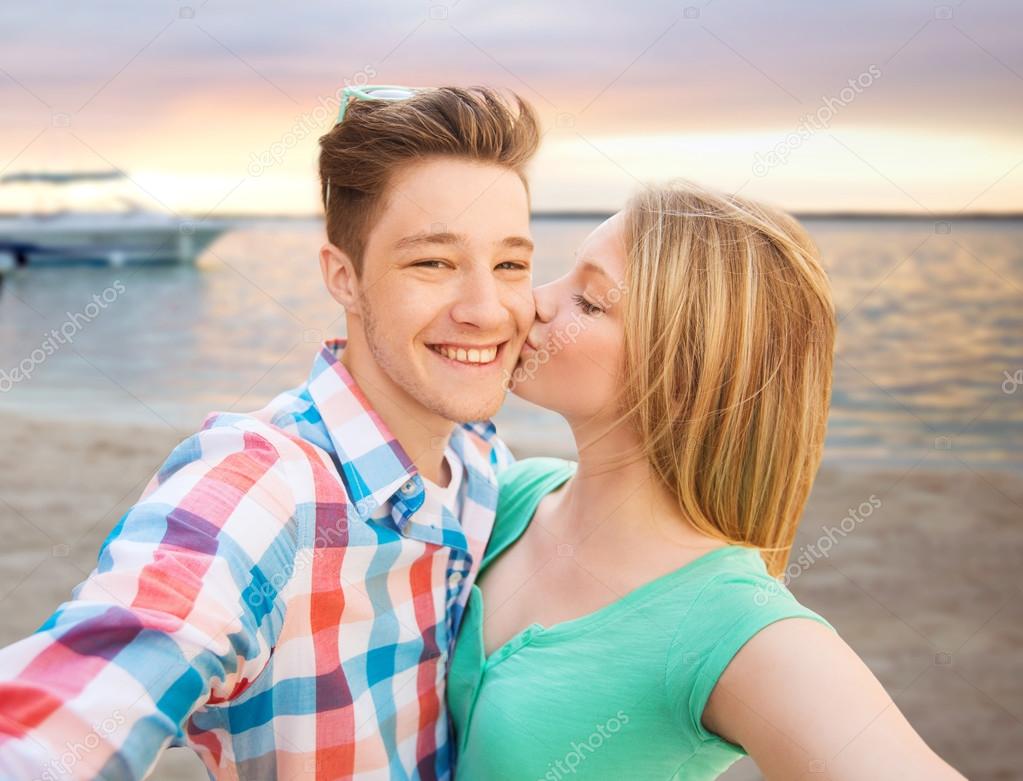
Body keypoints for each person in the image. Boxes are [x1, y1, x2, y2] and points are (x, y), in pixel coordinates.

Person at [0, 85, 540, 780]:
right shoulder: (264, 485)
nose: (484, 308)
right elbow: (93, 686)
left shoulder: (483, 462)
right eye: (432, 262)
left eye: (511, 265)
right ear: (343, 278)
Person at [447, 181, 966, 780]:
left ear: (686, 369)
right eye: (563, 279)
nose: (533, 303)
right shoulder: (512, 495)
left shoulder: (735, 628)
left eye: (589, 301)